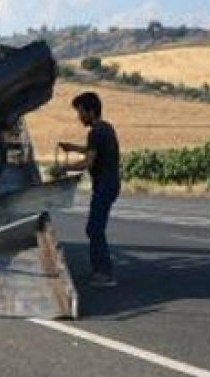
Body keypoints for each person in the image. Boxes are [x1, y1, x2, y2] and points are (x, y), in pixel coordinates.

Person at [59, 92, 121, 287]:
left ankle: (104, 273)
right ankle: (100, 270)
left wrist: (64, 168)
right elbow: (93, 151)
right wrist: (72, 148)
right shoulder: (106, 128)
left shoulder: (95, 133)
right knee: (95, 228)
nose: (79, 117)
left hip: (104, 185)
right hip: (111, 183)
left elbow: (88, 162)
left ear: (91, 111)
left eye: (81, 112)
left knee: (94, 229)